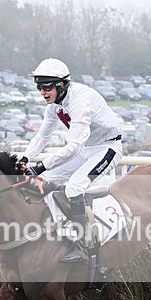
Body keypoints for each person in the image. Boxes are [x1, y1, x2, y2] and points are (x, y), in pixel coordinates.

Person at [17, 58, 123, 264]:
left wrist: (40, 165)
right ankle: (66, 234)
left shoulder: (80, 101)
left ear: (61, 84)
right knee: (44, 182)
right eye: (39, 86)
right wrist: (25, 158)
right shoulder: (55, 106)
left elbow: (73, 146)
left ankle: (83, 246)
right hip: (86, 149)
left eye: (46, 86)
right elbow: (42, 137)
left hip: (107, 148)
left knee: (74, 187)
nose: (42, 92)